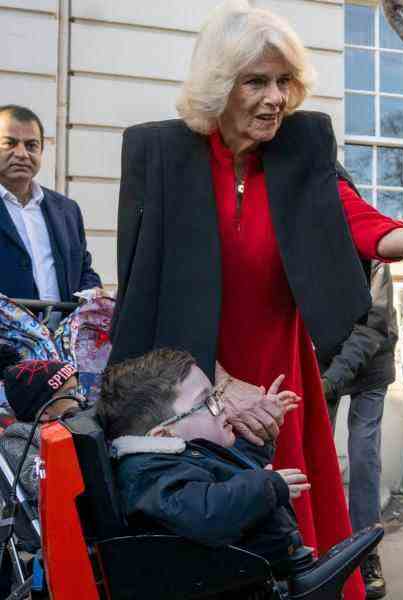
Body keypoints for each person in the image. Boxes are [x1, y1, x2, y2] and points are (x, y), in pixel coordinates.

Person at [106, 3, 403, 599]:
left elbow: (347, 216)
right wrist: (212, 386)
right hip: (190, 389)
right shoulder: (161, 155)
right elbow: (142, 289)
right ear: (220, 85)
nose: (275, 98)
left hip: (279, 381)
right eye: (256, 81)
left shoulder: (300, 150)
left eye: (284, 81)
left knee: (293, 538)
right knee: (210, 542)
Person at [96, 349, 329, 584]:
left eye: (217, 396)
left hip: (265, 572)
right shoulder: (149, 476)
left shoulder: (178, 453)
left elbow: (229, 471)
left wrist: (261, 438)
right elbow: (207, 512)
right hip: (243, 583)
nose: (223, 407)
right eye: (207, 402)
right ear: (164, 433)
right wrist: (266, 486)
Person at [321, 261, 397, 600]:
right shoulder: (310, 246)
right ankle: (319, 543)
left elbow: (373, 325)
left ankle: (367, 552)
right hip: (324, 363)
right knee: (317, 451)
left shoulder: (375, 259)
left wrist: (333, 378)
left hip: (372, 361)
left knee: (364, 456)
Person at [0, 105, 101, 310]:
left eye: (31, 145)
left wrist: (92, 293)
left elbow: (83, 270)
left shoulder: (67, 210)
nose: (22, 154)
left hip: (59, 337)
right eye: (10, 143)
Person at [0, 344, 84, 507]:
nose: (80, 398)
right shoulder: (17, 441)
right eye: (70, 394)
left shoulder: (76, 424)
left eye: (78, 390)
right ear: (44, 412)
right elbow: (43, 484)